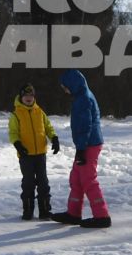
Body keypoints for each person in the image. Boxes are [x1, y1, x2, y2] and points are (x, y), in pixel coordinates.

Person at [49, 69, 110, 229]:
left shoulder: (83, 99)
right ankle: (73, 213)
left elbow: (85, 125)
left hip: (89, 144)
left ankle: (102, 216)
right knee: (76, 178)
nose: (65, 90)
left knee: (88, 179)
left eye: (65, 87)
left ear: (72, 84)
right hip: (85, 144)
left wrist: (82, 148)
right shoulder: (82, 97)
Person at [7, 82, 60, 220]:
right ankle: (28, 210)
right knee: (28, 182)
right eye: (26, 95)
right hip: (26, 155)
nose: (29, 98)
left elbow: (48, 127)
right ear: (21, 97)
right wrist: (18, 144)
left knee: (43, 182)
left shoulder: (40, 112)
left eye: (31, 95)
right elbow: (13, 133)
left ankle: (44, 210)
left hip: (40, 154)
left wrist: (54, 138)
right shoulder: (16, 114)